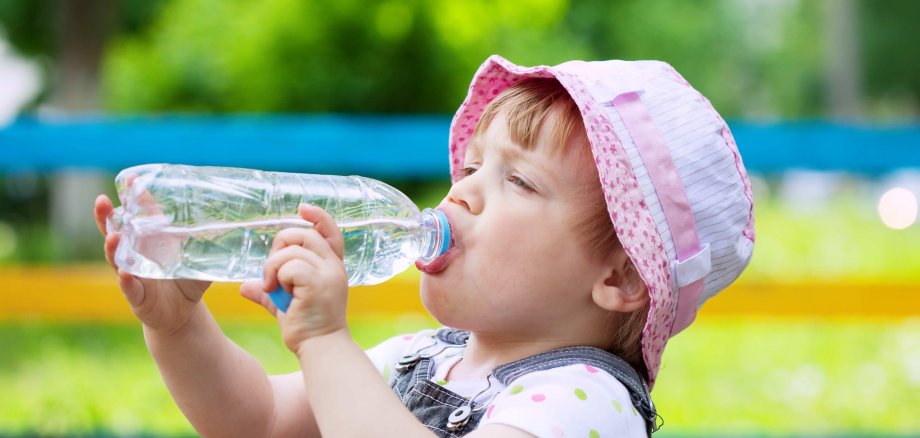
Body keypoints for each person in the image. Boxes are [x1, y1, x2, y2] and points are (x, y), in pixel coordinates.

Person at [93, 55, 755, 437]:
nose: (460, 194)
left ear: (620, 275)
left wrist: (327, 344)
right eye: (468, 169)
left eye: (516, 180)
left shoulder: (587, 403)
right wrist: (179, 327)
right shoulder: (422, 357)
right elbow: (261, 420)